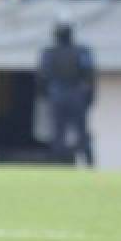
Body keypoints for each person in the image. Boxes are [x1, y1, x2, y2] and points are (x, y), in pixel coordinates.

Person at [37, 22, 96, 166]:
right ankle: (84, 162)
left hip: (59, 94)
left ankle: (61, 162)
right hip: (74, 94)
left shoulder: (50, 53)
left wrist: (46, 95)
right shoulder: (81, 51)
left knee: (60, 131)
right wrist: (89, 96)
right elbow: (89, 76)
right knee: (78, 131)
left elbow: (42, 77)